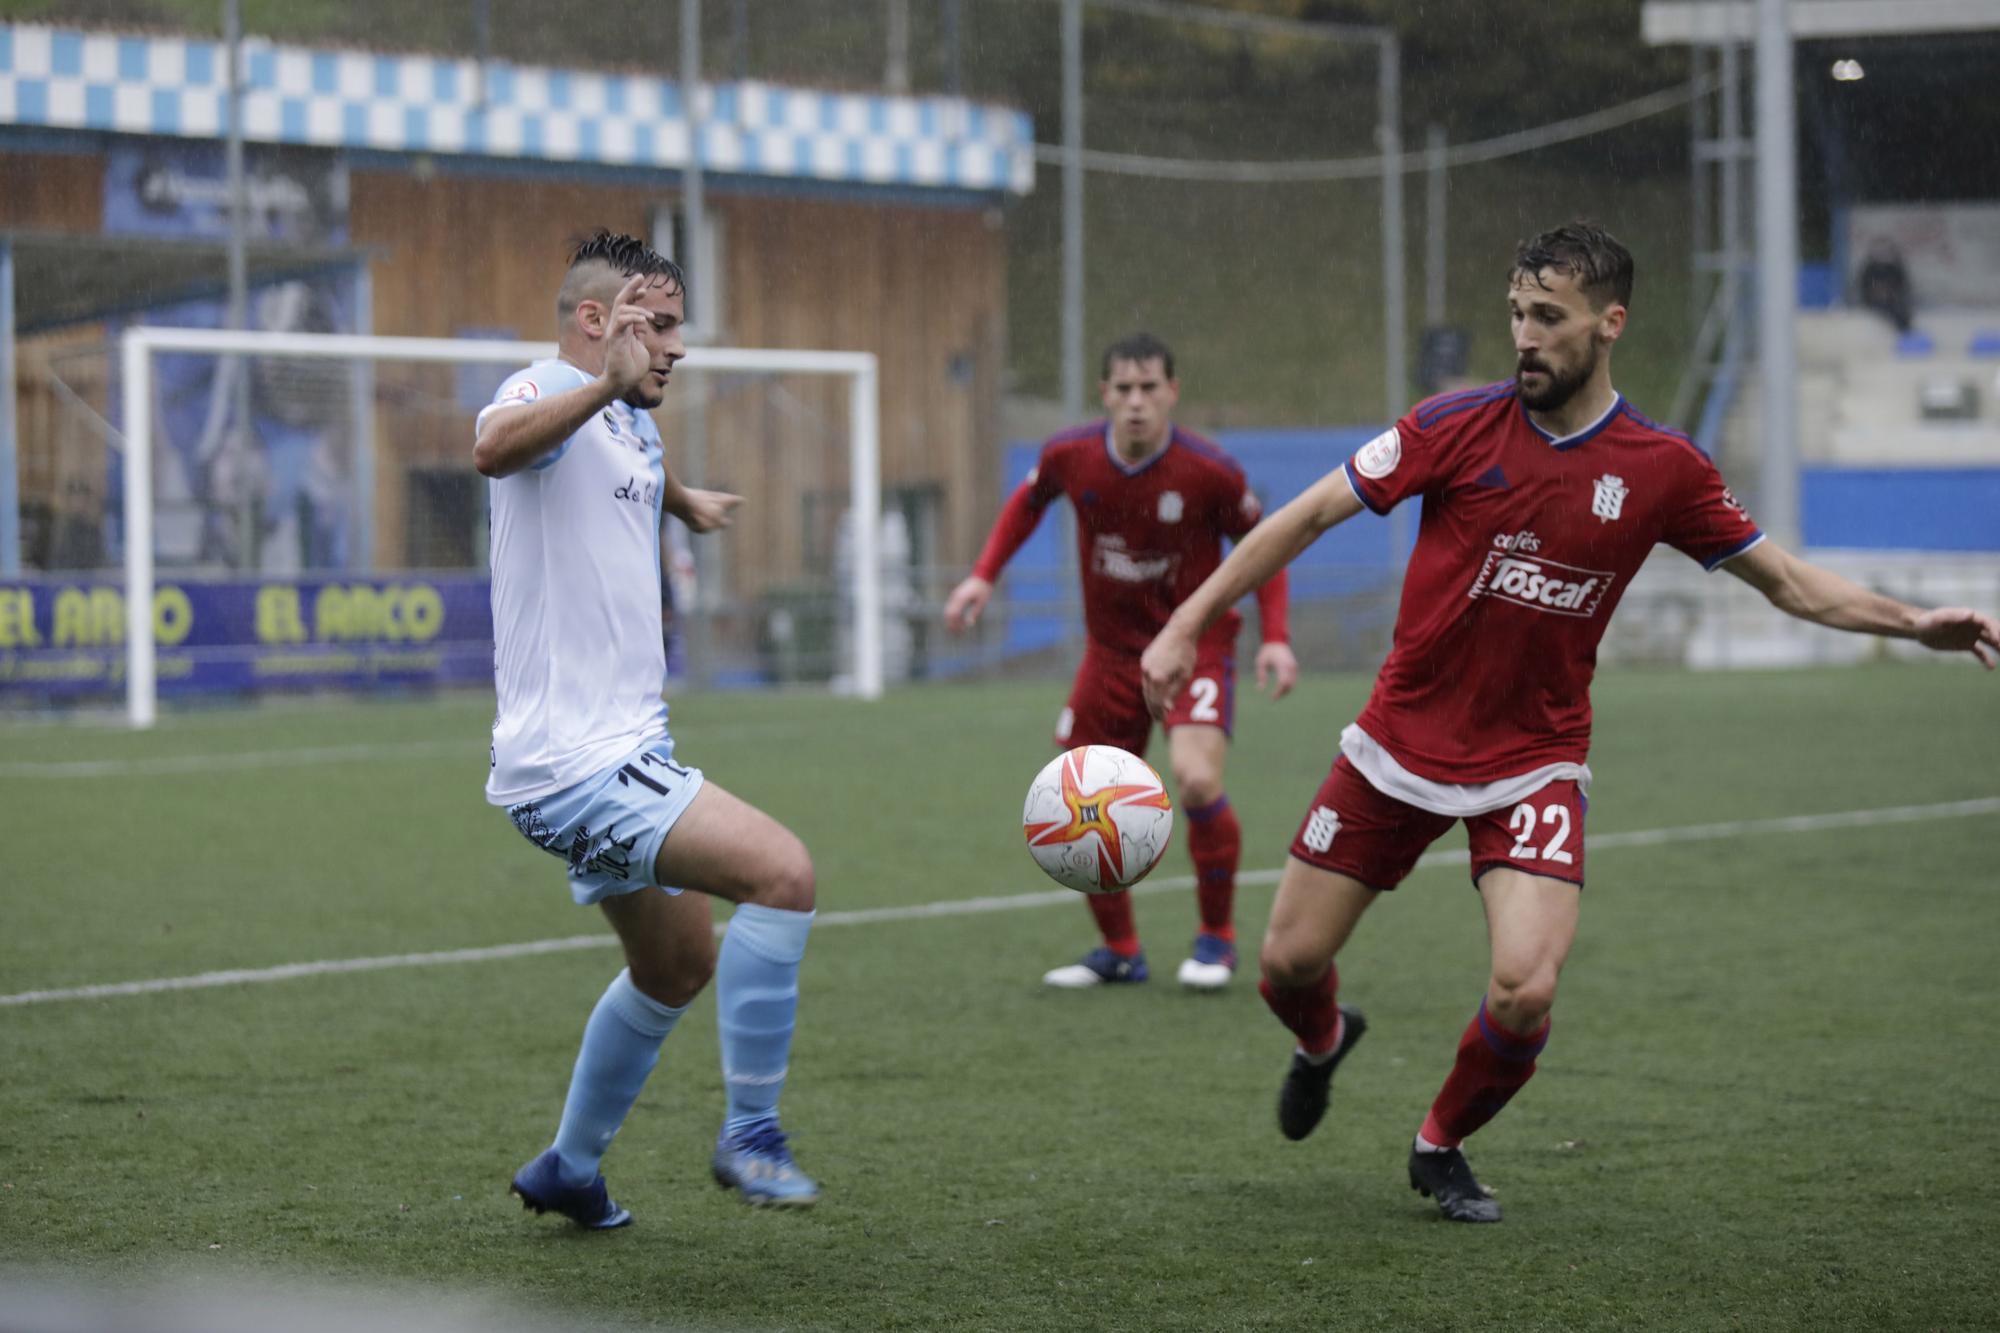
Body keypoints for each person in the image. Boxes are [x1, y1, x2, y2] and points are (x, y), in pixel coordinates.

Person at [1139, 221, 2000, 1223]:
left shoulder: (1661, 467)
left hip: (1531, 762)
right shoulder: (1448, 426)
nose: (1524, 337)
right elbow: (1303, 517)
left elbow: (1789, 583)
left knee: (1522, 987)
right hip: (1394, 746)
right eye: (1515, 314)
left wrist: (1914, 623)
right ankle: (1324, 1039)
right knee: (1284, 965)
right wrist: (1184, 622)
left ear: (1608, 323)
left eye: (1547, 317)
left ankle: (1439, 1141)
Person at [474, 230, 821, 1228]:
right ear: (596, 322)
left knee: (675, 966)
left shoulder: (630, 422)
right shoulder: (541, 387)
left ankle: (569, 1168)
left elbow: (617, 462)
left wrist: (682, 500)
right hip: (577, 764)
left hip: (626, 749)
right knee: (783, 875)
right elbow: (495, 448)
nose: (675, 348)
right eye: (657, 326)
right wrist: (600, 388)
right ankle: (751, 1133)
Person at [944, 333, 1298, 991]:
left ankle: (1216, 941)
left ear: (1172, 392)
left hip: (1196, 645)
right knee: (1076, 796)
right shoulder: (1070, 456)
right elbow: (1028, 503)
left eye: (1149, 387)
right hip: (1110, 653)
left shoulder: (1209, 470)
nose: (1137, 401)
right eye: (1124, 389)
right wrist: (982, 576)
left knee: (1193, 779)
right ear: (1104, 393)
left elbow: (1264, 545)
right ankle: (1122, 951)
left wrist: (1275, 635)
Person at [1855, 237, 1914, 335]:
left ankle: (1906, 333)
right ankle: (1902, 333)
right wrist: (1877, 293)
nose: (1883, 254)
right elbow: (1864, 288)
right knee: (1891, 312)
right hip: (1875, 302)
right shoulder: (1870, 269)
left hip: (1892, 301)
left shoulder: (1894, 268)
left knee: (1901, 311)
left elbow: (1902, 287)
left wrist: (1891, 294)